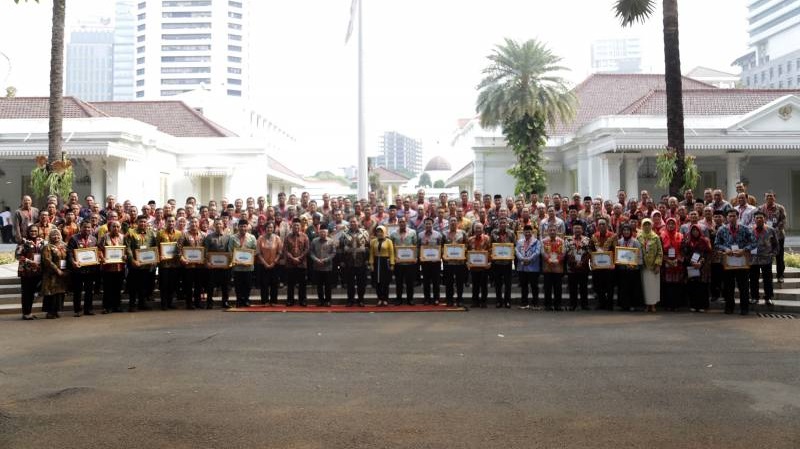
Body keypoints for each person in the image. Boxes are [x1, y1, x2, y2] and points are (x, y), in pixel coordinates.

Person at [714, 209, 756, 315]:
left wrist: (744, 250)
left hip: (742, 261)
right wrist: (725, 249)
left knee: (744, 286)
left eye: (734, 216)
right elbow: (717, 244)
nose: (732, 218)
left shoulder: (745, 229)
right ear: (727, 218)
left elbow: (754, 243)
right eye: (730, 216)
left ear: (738, 217)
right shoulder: (722, 230)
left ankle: (744, 308)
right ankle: (729, 308)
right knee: (728, 286)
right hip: (728, 261)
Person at [125, 215, 157, 312]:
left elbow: (154, 247)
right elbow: (128, 248)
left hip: (146, 265)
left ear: (147, 223)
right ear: (137, 223)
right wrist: (132, 260)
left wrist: (154, 260)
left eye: (144, 222)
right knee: (133, 286)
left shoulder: (151, 233)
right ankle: (132, 305)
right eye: (141, 222)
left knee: (144, 285)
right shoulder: (131, 233)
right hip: (135, 264)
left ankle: (142, 304)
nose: (143, 223)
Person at [67, 220, 99, 317]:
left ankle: (88, 309)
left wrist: (98, 258)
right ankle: (77, 310)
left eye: (89, 227)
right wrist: (73, 262)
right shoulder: (74, 238)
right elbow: (69, 253)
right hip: (78, 269)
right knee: (77, 290)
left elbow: (96, 252)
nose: (87, 229)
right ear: (80, 228)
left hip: (90, 269)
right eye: (85, 227)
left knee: (89, 290)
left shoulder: (94, 239)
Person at [749, 211, 779, 308]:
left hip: (766, 259)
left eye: (761, 217)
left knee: (768, 280)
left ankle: (768, 297)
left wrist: (773, 254)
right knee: (753, 279)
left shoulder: (771, 230)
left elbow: (776, 244)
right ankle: (754, 297)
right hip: (753, 259)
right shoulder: (749, 230)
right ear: (754, 219)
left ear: (765, 219)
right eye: (757, 218)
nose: (759, 219)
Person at [339, 217, 370, 307]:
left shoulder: (364, 233)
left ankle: (361, 300)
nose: (353, 223)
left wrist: (367, 259)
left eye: (354, 221)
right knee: (350, 283)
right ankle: (350, 300)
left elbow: (368, 247)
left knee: (361, 283)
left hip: (361, 262)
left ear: (358, 222)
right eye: (351, 222)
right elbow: (340, 248)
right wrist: (341, 260)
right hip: (349, 263)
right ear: (349, 223)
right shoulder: (344, 234)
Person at [15, 225, 43, 320]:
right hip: (26, 271)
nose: (33, 233)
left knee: (32, 293)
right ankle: (26, 313)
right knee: (27, 293)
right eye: (31, 231)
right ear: (28, 231)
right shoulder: (23, 242)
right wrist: (30, 261)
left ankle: (29, 312)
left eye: (35, 231)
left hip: (38, 271)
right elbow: (18, 256)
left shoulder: (41, 241)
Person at [682, 224, 712, 312]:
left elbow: (708, 253)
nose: (695, 232)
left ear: (700, 231)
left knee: (702, 287)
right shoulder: (688, 241)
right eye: (693, 231)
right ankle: (693, 305)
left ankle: (703, 306)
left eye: (697, 230)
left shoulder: (705, 241)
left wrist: (701, 262)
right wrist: (690, 261)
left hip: (702, 268)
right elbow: (684, 253)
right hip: (691, 266)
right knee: (692, 286)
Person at [98, 221, 126, 313]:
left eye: (118, 226)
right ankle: (107, 307)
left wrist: (125, 256)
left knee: (118, 288)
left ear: (120, 227)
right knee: (108, 288)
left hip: (119, 267)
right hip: (108, 267)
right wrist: (102, 258)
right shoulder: (104, 237)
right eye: (114, 226)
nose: (116, 228)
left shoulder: (123, 237)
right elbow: (99, 249)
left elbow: (126, 249)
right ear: (110, 227)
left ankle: (117, 306)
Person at [204, 218, 232, 309]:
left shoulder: (228, 237)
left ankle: (225, 302)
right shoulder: (209, 237)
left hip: (224, 266)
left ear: (223, 225)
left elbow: (230, 251)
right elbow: (205, 251)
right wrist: (207, 262)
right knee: (210, 285)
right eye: (216, 224)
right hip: (212, 266)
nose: (218, 226)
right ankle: (209, 302)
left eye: (220, 224)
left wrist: (229, 263)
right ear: (214, 225)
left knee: (225, 285)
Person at [41, 229, 69, 319]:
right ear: (50, 236)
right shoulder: (47, 247)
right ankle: (50, 312)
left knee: (59, 293)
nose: (56, 237)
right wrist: (57, 270)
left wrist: (67, 271)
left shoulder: (65, 246)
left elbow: (69, 257)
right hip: (51, 275)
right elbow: (47, 261)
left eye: (58, 235)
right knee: (51, 293)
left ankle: (56, 311)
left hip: (63, 274)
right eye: (53, 235)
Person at [759, 191, 786, 283]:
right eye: (767, 196)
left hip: (778, 236)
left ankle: (780, 275)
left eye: (771, 196)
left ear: (774, 198)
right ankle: (767, 276)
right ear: (764, 198)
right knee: (766, 256)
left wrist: (774, 231)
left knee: (779, 256)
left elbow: (783, 221)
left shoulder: (780, 208)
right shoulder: (760, 208)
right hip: (765, 237)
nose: (769, 198)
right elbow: (757, 221)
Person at [178, 217, 206, 309]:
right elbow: (179, 249)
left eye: (195, 222)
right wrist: (182, 258)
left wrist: (205, 259)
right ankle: (189, 303)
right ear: (189, 224)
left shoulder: (203, 235)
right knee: (188, 285)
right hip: (188, 265)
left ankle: (198, 302)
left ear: (198, 224)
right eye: (192, 222)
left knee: (199, 284)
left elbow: (206, 250)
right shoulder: (184, 235)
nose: (194, 224)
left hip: (200, 265)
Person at [156, 216, 182, 310]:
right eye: (169, 221)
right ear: (165, 222)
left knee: (173, 284)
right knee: (164, 284)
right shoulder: (160, 233)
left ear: (175, 222)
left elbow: (181, 247)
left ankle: (170, 302)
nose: (171, 223)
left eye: (172, 221)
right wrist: (159, 256)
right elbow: (157, 247)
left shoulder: (179, 233)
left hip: (175, 263)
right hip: (164, 264)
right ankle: (164, 303)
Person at [390, 217, 418, 306]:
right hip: (398, 262)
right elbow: (391, 248)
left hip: (410, 262)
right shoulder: (393, 233)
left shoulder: (412, 232)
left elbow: (415, 246)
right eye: (400, 222)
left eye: (404, 221)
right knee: (399, 282)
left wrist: (415, 257)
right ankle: (399, 299)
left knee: (410, 282)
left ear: (406, 222)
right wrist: (393, 258)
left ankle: (410, 299)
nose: (402, 223)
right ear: (398, 223)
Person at [590, 218, 616, 311]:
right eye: (600, 224)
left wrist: (613, 263)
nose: (601, 226)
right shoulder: (594, 236)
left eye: (603, 224)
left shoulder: (612, 236)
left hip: (609, 266)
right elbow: (591, 250)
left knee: (609, 286)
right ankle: (601, 303)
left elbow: (616, 250)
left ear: (607, 225)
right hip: (597, 266)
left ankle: (609, 304)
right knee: (598, 286)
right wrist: (592, 263)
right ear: (597, 226)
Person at [616, 224, 643, 311]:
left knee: (633, 288)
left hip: (633, 270)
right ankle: (624, 305)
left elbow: (639, 256)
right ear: (622, 232)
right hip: (623, 269)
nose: (626, 232)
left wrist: (634, 265)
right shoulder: (619, 242)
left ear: (631, 232)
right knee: (623, 288)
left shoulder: (635, 242)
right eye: (624, 230)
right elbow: (617, 255)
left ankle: (633, 305)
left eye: (628, 230)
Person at [230, 219, 257, 308]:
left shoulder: (252, 237)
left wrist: (250, 260)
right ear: (238, 227)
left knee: (248, 284)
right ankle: (238, 300)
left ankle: (246, 300)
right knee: (238, 284)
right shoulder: (232, 237)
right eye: (241, 226)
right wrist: (234, 260)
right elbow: (230, 251)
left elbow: (255, 251)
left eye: (244, 226)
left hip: (248, 266)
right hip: (237, 266)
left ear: (247, 227)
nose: (243, 228)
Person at [284, 218, 310, 307]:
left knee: (302, 284)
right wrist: (292, 258)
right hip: (290, 264)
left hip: (301, 264)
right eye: (294, 225)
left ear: (300, 226)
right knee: (290, 284)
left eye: (298, 225)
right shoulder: (287, 237)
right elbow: (285, 250)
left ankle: (302, 300)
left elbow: (307, 249)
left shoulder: (305, 236)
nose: (296, 227)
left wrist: (299, 258)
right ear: (292, 226)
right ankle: (290, 300)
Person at [638, 218, 663, 313]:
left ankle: (653, 305)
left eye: (648, 224)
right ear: (642, 226)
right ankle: (646, 305)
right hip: (643, 266)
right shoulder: (639, 237)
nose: (647, 226)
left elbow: (660, 252)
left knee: (653, 287)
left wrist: (657, 264)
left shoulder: (655, 237)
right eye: (645, 224)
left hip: (653, 267)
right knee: (645, 287)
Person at [490, 216, 516, 308]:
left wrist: (511, 255)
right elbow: (491, 245)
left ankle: (507, 301)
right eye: (501, 223)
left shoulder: (511, 233)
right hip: (497, 262)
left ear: (507, 224)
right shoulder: (493, 232)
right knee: (498, 284)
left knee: (508, 283)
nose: (502, 224)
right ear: (498, 224)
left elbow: (514, 245)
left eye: (504, 223)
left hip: (507, 262)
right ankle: (498, 301)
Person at [442, 216, 468, 307]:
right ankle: (449, 299)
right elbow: (442, 247)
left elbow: (466, 245)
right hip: (448, 263)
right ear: (449, 223)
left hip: (460, 262)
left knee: (459, 282)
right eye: (451, 221)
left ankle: (459, 299)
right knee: (449, 282)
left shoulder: (463, 233)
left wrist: (463, 254)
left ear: (457, 223)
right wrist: (443, 256)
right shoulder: (444, 233)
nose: (453, 222)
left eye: (455, 221)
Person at [660, 218, 684, 311]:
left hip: (677, 264)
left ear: (676, 225)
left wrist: (677, 260)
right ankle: (667, 305)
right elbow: (660, 250)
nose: (671, 226)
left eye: (673, 224)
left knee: (676, 285)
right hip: (666, 264)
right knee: (667, 285)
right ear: (666, 225)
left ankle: (676, 305)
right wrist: (667, 260)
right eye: (669, 224)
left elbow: (683, 250)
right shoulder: (662, 236)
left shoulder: (680, 236)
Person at [418, 217, 443, 306]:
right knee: (426, 282)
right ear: (424, 225)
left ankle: (436, 299)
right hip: (425, 263)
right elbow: (418, 248)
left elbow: (441, 248)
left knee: (436, 281)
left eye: (429, 223)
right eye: (426, 223)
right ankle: (427, 299)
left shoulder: (438, 235)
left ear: (433, 224)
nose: (428, 225)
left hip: (435, 262)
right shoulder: (420, 235)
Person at [565, 222, 590, 311]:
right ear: (573, 229)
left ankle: (584, 304)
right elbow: (567, 253)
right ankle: (573, 304)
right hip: (572, 268)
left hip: (584, 267)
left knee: (583, 287)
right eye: (575, 228)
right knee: (573, 287)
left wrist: (582, 262)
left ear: (582, 229)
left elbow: (589, 253)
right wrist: (575, 262)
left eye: (579, 228)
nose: (577, 230)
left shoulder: (587, 240)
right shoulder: (568, 240)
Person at [515, 224, 541, 310]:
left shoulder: (537, 242)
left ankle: (535, 303)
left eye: (529, 231)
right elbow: (517, 251)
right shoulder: (519, 241)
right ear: (523, 232)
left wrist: (528, 259)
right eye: (526, 232)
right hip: (522, 267)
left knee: (534, 286)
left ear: (532, 232)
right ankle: (524, 303)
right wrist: (522, 259)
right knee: (524, 286)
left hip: (533, 267)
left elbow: (537, 253)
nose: (527, 233)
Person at [256, 221, 282, 306]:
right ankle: (265, 301)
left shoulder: (277, 238)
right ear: (265, 228)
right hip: (263, 265)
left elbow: (279, 252)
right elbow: (258, 253)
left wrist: (274, 262)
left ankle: (274, 301)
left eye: (271, 227)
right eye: (268, 227)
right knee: (264, 284)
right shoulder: (260, 238)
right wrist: (265, 264)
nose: (269, 229)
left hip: (275, 265)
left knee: (274, 283)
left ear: (273, 229)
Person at [467, 222, 492, 308]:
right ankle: (475, 301)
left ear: (483, 229)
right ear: (474, 229)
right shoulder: (470, 240)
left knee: (484, 285)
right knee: (475, 285)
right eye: (476, 228)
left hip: (484, 266)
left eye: (480, 228)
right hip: (474, 266)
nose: (478, 230)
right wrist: (467, 261)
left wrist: (490, 262)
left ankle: (484, 302)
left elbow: (491, 251)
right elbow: (467, 252)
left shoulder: (487, 239)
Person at [310, 227, 336, 306]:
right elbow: (311, 252)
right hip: (317, 266)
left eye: (324, 232)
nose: (323, 234)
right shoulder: (314, 241)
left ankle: (328, 300)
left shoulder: (331, 241)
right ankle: (320, 300)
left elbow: (333, 253)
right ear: (319, 232)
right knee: (319, 285)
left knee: (328, 285)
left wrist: (325, 260)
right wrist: (316, 259)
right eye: (321, 232)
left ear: (327, 233)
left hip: (327, 267)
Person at [542, 225, 565, 311]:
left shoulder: (561, 241)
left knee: (558, 288)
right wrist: (549, 260)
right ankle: (548, 305)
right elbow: (542, 252)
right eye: (550, 230)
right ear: (548, 231)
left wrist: (557, 261)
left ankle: (558, 305)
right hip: (547, 267)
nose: (552, 232)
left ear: (557, 231)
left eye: (554, 230)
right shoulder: (543, 241)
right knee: (547, 288)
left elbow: (563, 253)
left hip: (558, 268)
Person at [369, 226, 394, 306]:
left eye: (381, 231)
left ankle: (385, 299)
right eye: (378, 232)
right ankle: (380, 299)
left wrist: (392, 264)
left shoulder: (389, 241)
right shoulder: (373, 241)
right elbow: (371, 254)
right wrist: (371, 264)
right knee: (378, 282)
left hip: (385, 262)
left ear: (384, 232)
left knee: (385, 282)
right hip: (376, 262)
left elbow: (392, 253)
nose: (379, 233)